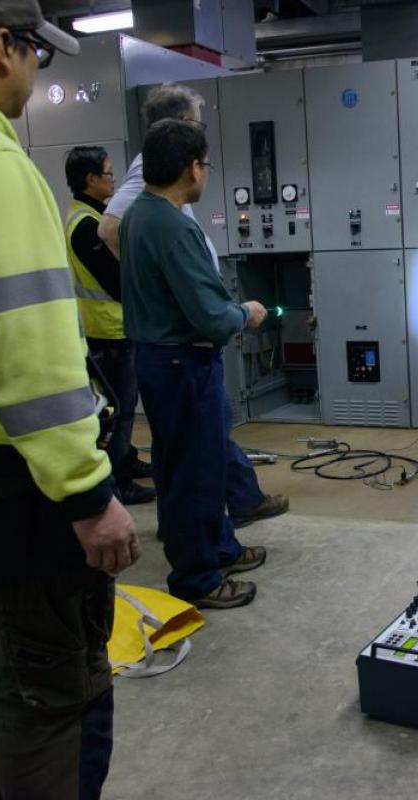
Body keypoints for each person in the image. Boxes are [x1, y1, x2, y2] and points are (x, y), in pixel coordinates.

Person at [0, 3, 141, 797]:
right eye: (36, 50)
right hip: (17, 496)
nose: (39, 70)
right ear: (4, 47)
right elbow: (31, 353)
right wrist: (86, 492)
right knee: (54, 702)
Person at [99, 83, 288, 530]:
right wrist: (241, 313)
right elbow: (110, 231)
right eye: (202, 144)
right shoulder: (155, 204)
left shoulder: (152, 206)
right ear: (188, 151)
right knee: (197, 455)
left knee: (188, 448)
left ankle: (210, 520)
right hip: (181, 350)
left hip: (166, 349)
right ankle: (205, 558)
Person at [120, 118, 270, 609]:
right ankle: (198, 577)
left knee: (186, 463)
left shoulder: (140, 214)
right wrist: (245, 314)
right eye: (206, 164)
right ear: (191, 168)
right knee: (195, 472)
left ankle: (220, 547)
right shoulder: (172, 226)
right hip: (183, 364)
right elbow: (209, 316)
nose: (206, 174)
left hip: (159, 363)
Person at [64, 145, 155, 506]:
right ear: (90, 179)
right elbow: (115, 280)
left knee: (124, 403)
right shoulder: (86, 226)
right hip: (108, 331)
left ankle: (127, 460)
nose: (114, 180)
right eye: (108, 174)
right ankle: (118, 478)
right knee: (121, 406)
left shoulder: (94, 215)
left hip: (114, 328)